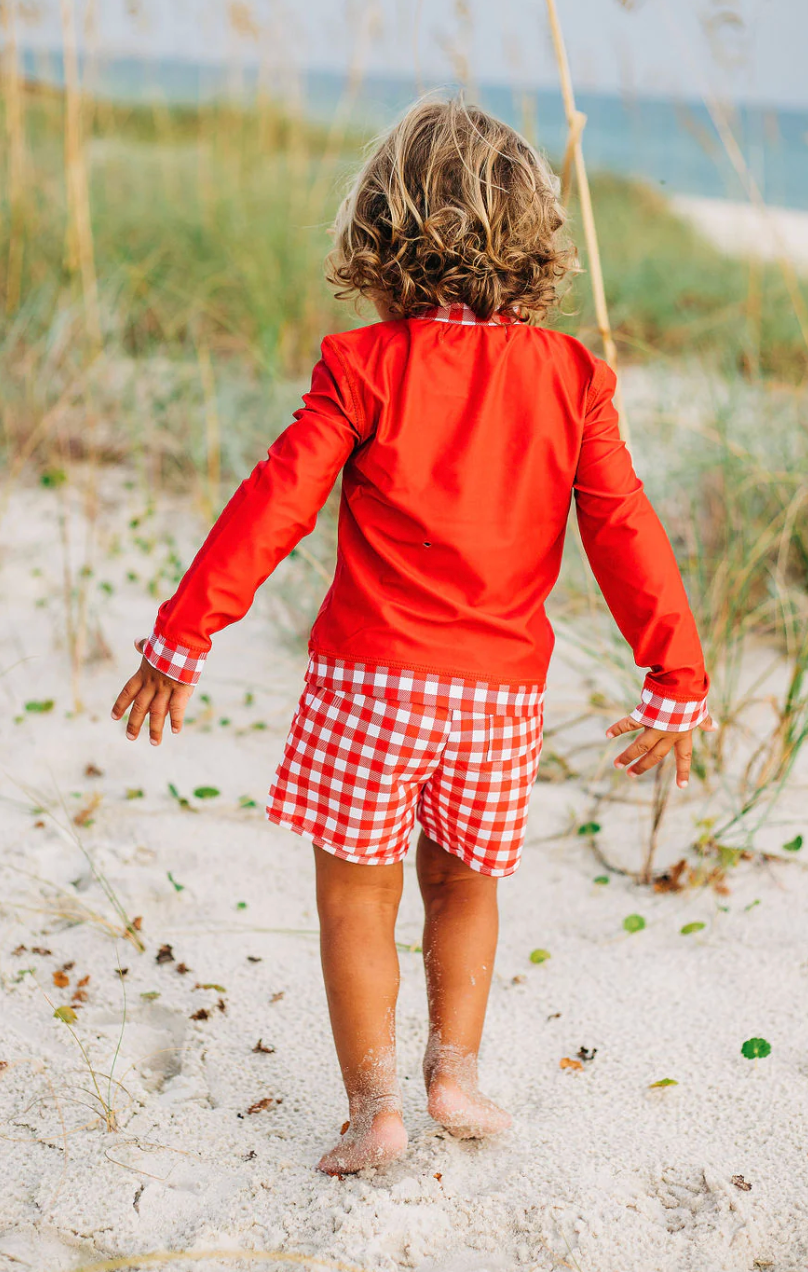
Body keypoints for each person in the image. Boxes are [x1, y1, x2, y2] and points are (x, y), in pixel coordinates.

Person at [111, 97, 713, 1175]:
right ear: (533, 240)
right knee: (465, 884)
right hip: (496, 701)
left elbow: (275, 503)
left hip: (367, 689)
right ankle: (456, 1075)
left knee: (354, 894)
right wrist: (675, 671)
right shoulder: (573, 378)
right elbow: (622, 525)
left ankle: (372, 1108)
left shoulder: (362, 365)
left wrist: (181, 637)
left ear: (378, 230)